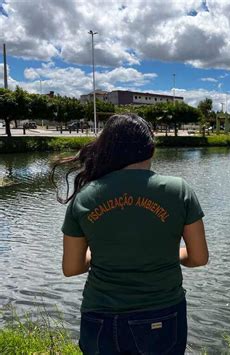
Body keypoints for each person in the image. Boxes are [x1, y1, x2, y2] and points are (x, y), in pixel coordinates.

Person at [51, 114, 208, 354]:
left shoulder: (86, 196)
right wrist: (165, 254)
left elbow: (71, 268)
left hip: (100, 317)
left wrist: (101, 254)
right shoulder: (179, 191)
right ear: (151, 149)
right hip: (162, 316)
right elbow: (198, 258)